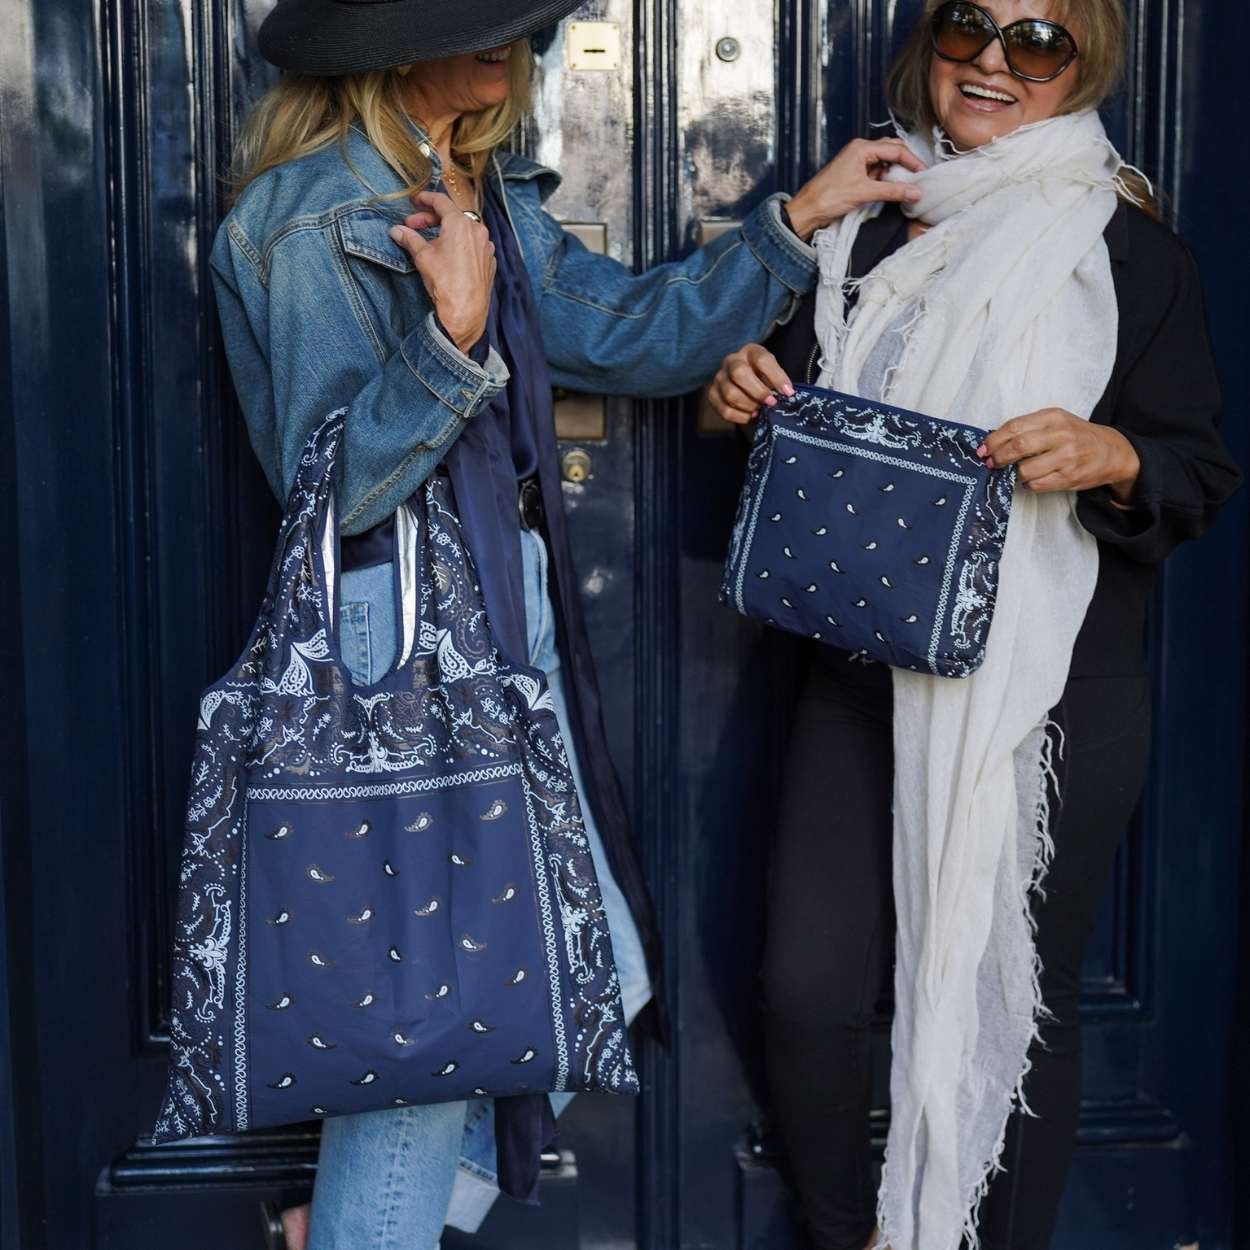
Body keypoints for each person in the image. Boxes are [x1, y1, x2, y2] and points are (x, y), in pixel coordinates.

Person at [211, 2, 876, 1246]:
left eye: (517, 25)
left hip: (492, 608)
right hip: (393, 636)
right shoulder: (310, 220)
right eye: (484, 20)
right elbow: (341, 486)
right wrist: (455, 342)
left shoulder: (469, 187)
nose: (510, 46)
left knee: (581, 970)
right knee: (435, 1011)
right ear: (388, 42)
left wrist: (797, 220)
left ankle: (345, 1226)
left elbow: (629, 333)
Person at [708, 2, 1240, 1248]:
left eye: (1037, 40)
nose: (994, 61)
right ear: (926, 45)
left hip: (1046, 696)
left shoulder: (1127, 255)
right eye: (967, 26)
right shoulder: (857, 227)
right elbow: (768, 417)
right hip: (856, 664)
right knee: (807, 990)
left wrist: (1110, 449)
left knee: (1016, 996)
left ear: (1082, 66)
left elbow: (1195, 471)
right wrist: (735, 391)